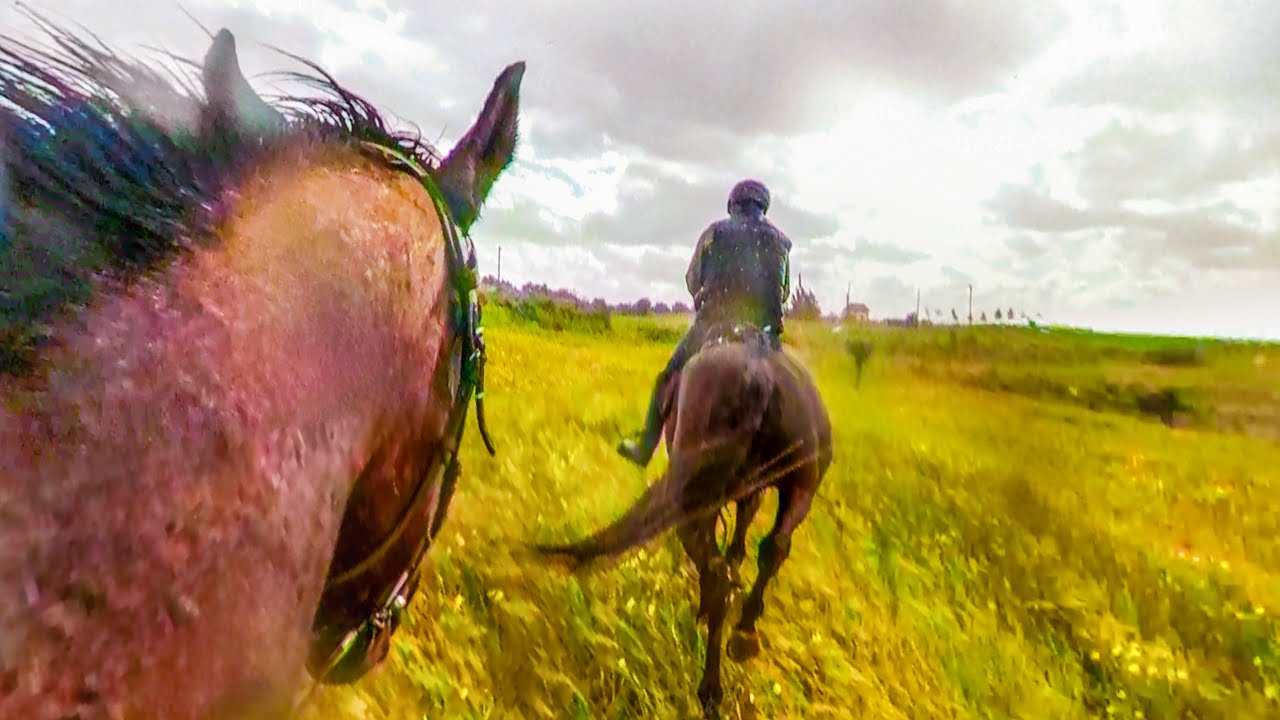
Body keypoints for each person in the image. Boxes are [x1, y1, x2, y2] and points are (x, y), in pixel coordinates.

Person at [616, 178, 792, 468]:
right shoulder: (781, 242)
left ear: (732, 205)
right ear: (764, 207)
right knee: (785, 397)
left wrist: (706, 291)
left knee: (667, 376)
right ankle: (782, 463)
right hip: (765, 335)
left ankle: (645, 448)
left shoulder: (714, 234)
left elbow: (692, 280)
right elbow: (783, 293)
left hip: (712, 326)